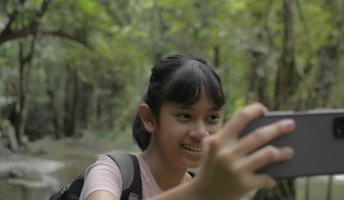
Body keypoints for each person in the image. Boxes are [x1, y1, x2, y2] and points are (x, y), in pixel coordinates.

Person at [79, 54, 295, 200]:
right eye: (185, 116)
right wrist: (202, 191)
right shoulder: (113, 172)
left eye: (212, 118)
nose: (201, 133)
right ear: (149, 118)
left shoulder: (207, 185)